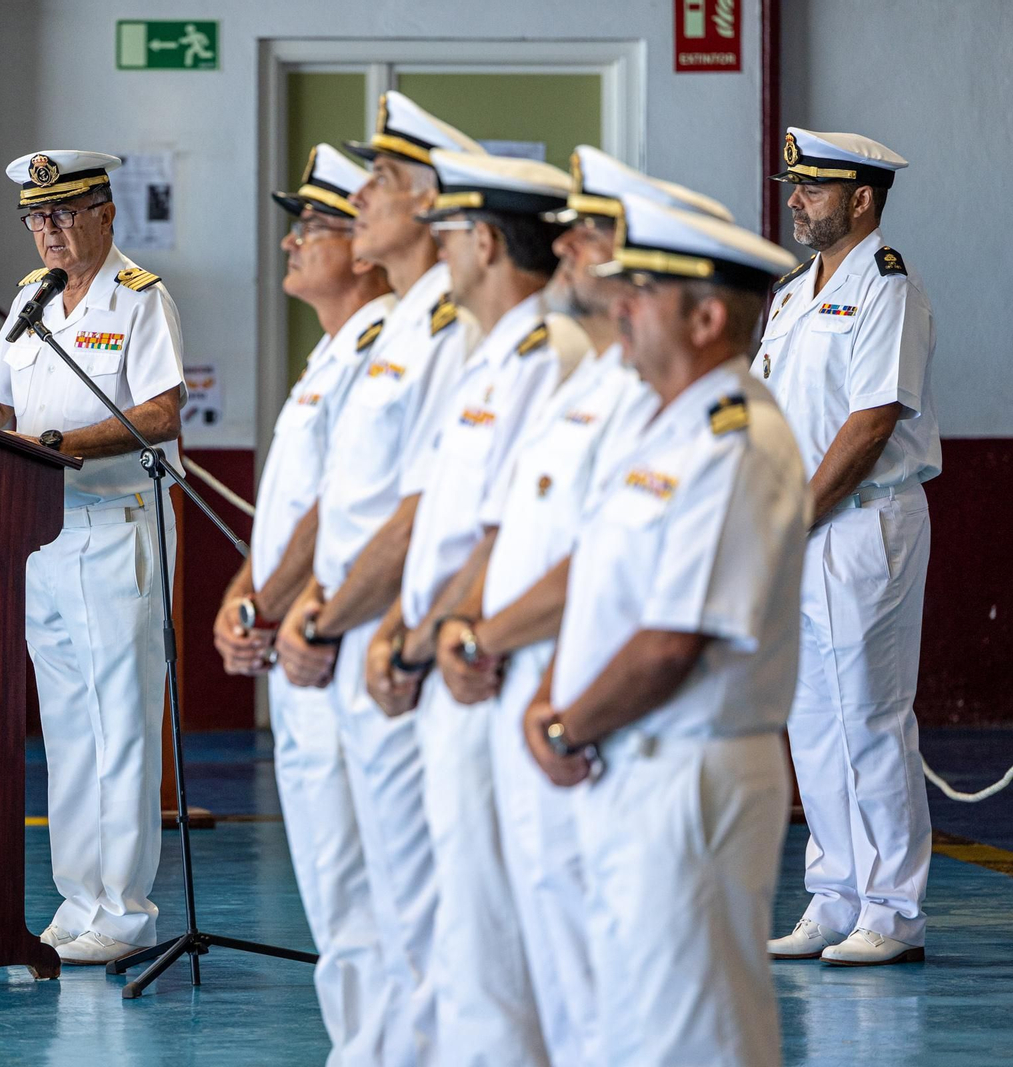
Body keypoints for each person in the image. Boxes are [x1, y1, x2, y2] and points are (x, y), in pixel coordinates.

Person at [435, 146, 736, 1063]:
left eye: (597, 240)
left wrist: (480, 637)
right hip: (546, 701)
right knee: (567, 984)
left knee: (648, 1009)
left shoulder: (691, 418)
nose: (567, 249)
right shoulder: (600, 384)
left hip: (619, 726)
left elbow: (611, 583)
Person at [524, 193, 804, 1066]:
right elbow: (599, 591)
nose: (620, 305)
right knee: (627, 1028)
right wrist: (552, 702)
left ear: (709, 314)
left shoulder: (733, 440)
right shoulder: (662, 426)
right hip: (630, 764)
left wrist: (566, 721)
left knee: (690, 1032)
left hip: (688, 770)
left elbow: (670, 642)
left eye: (643, 289)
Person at [273, 90, 484, 1066]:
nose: (363, 198)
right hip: (350, 628)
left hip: (391, 632)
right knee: (356, 876)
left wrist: (324, 617)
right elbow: (342, 500)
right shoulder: (394, 328)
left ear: (435, 204)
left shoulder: (448, 325)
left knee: (419, 887)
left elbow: (419, 507)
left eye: (384, 183)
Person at [362, 148, 582, 1067]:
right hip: (445, 656)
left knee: (496, 924)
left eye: (449, 233)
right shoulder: (492, 356)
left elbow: (505, 538)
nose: (439, 251)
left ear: (485, 242)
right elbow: (443, 527)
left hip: (484, 665)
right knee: (458, 912)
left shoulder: (545, 357)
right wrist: (396, 627)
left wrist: (417, 640)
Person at [0, 149, 186, 966]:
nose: (47, 230)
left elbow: (161, 410)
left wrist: (60, 445)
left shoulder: (139, 299)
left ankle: (125, 916)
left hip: (118, 523)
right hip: (40, 531)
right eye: (36, 217)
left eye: (62, 213)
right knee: (68, 727)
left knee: (119, 721)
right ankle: (79, 897)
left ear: (104, 212)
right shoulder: (31, 299)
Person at [211, 143, 394, 1064]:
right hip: (298, 636)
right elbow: (289, 505)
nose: (291, 242)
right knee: (329, 870)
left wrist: (262, 606)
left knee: (360, 874)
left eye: (313, 226)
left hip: (342, 638)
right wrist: (244, 596)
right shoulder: (332, 351)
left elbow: (347, 507)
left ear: (362, 247)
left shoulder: (383, 345)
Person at [757, 128, 937, 966]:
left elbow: (869, 425)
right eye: (795, 185)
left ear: (861, 199)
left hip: (864, 522)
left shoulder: (886, 289)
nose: (796, 199)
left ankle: (892, 910)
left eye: (813, 187)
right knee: (813, 718)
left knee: (868, 714)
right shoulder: (794, 294)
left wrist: (791, 516)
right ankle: (833, 896)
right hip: (798, 523)